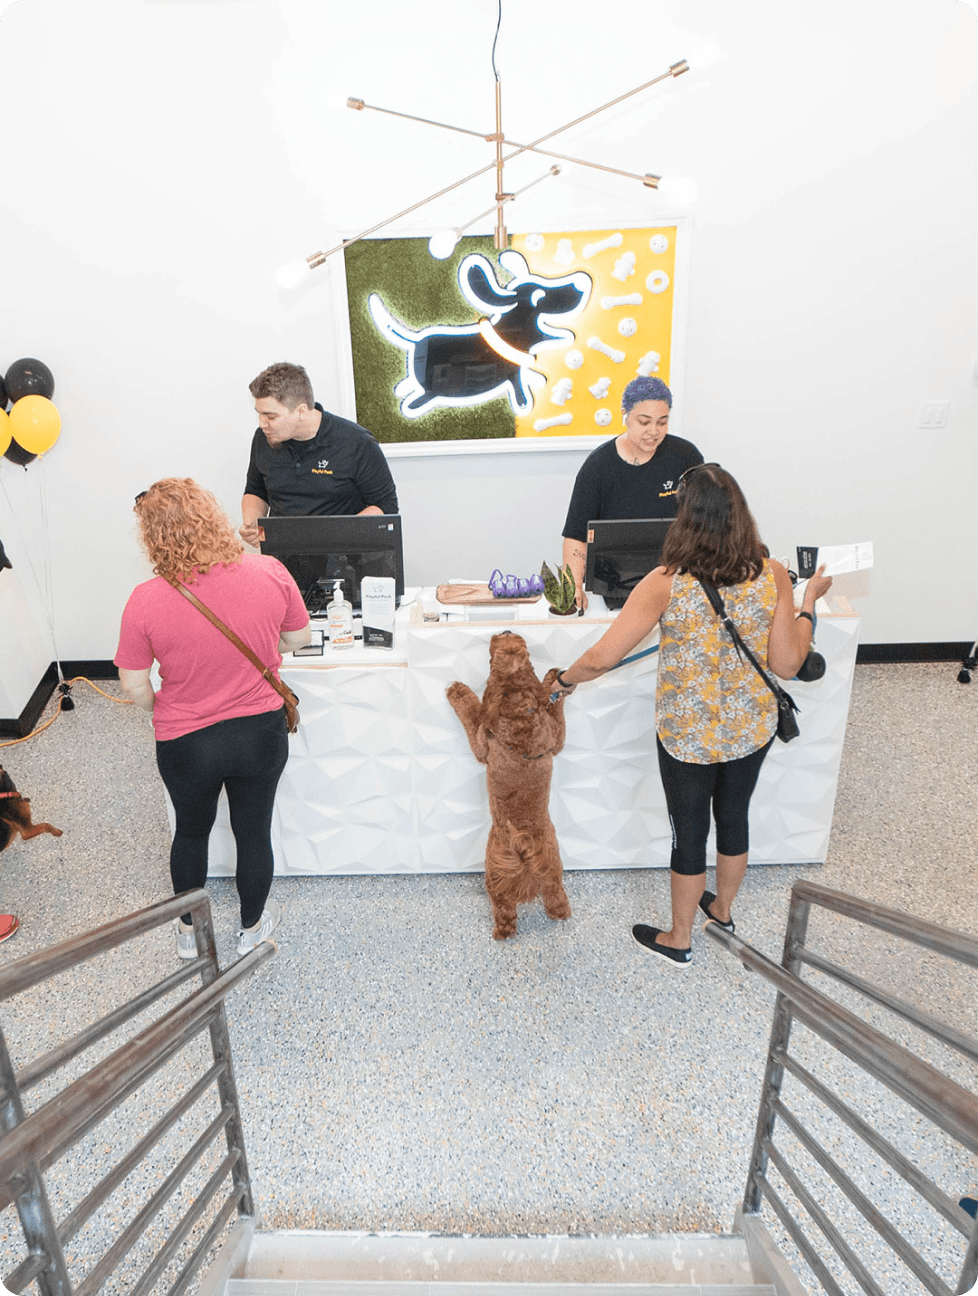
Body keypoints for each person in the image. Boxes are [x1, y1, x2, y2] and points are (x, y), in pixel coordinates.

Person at [551, 463, 832, 967]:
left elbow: (601, 656)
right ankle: (721, 911)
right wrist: (808, 601)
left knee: (689, 832)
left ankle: (679, 938)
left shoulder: (665, 583)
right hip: (751, 727)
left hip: (687, 735)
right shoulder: (772, 575)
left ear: (684, 519)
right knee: (733, 817)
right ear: (741, 515)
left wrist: (564, 682)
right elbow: (788, 663)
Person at [115, 478, 311, 959]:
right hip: (260, 733)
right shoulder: (268, 571)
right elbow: (297, 639)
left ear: (153, 536)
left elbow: (133, 683)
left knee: (190, 832)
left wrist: (162, 709)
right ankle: (251, 930)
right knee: (253, 830)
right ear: (212, 516)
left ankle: (189, 936)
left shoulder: (144, 598)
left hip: (187, 742)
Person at [561, 375, 704, 611]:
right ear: (625, 415)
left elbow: (706, 521)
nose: (654, 432)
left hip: (679, 584)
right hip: (613, 590)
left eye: (662, 422)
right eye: (644, 422)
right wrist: (574, 585)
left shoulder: (686, 456)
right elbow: (576, 536)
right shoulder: (598, 467)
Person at [240, 362, 398, 547]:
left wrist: (331, 536)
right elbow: (255, 490)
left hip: (345, 559)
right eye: (259, 414)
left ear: (301, 410)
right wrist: (252, 522)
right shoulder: (264, 438)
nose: (262, 423)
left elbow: (386, 506)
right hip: (282, 559)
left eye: (271, 417)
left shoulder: (356, 443)